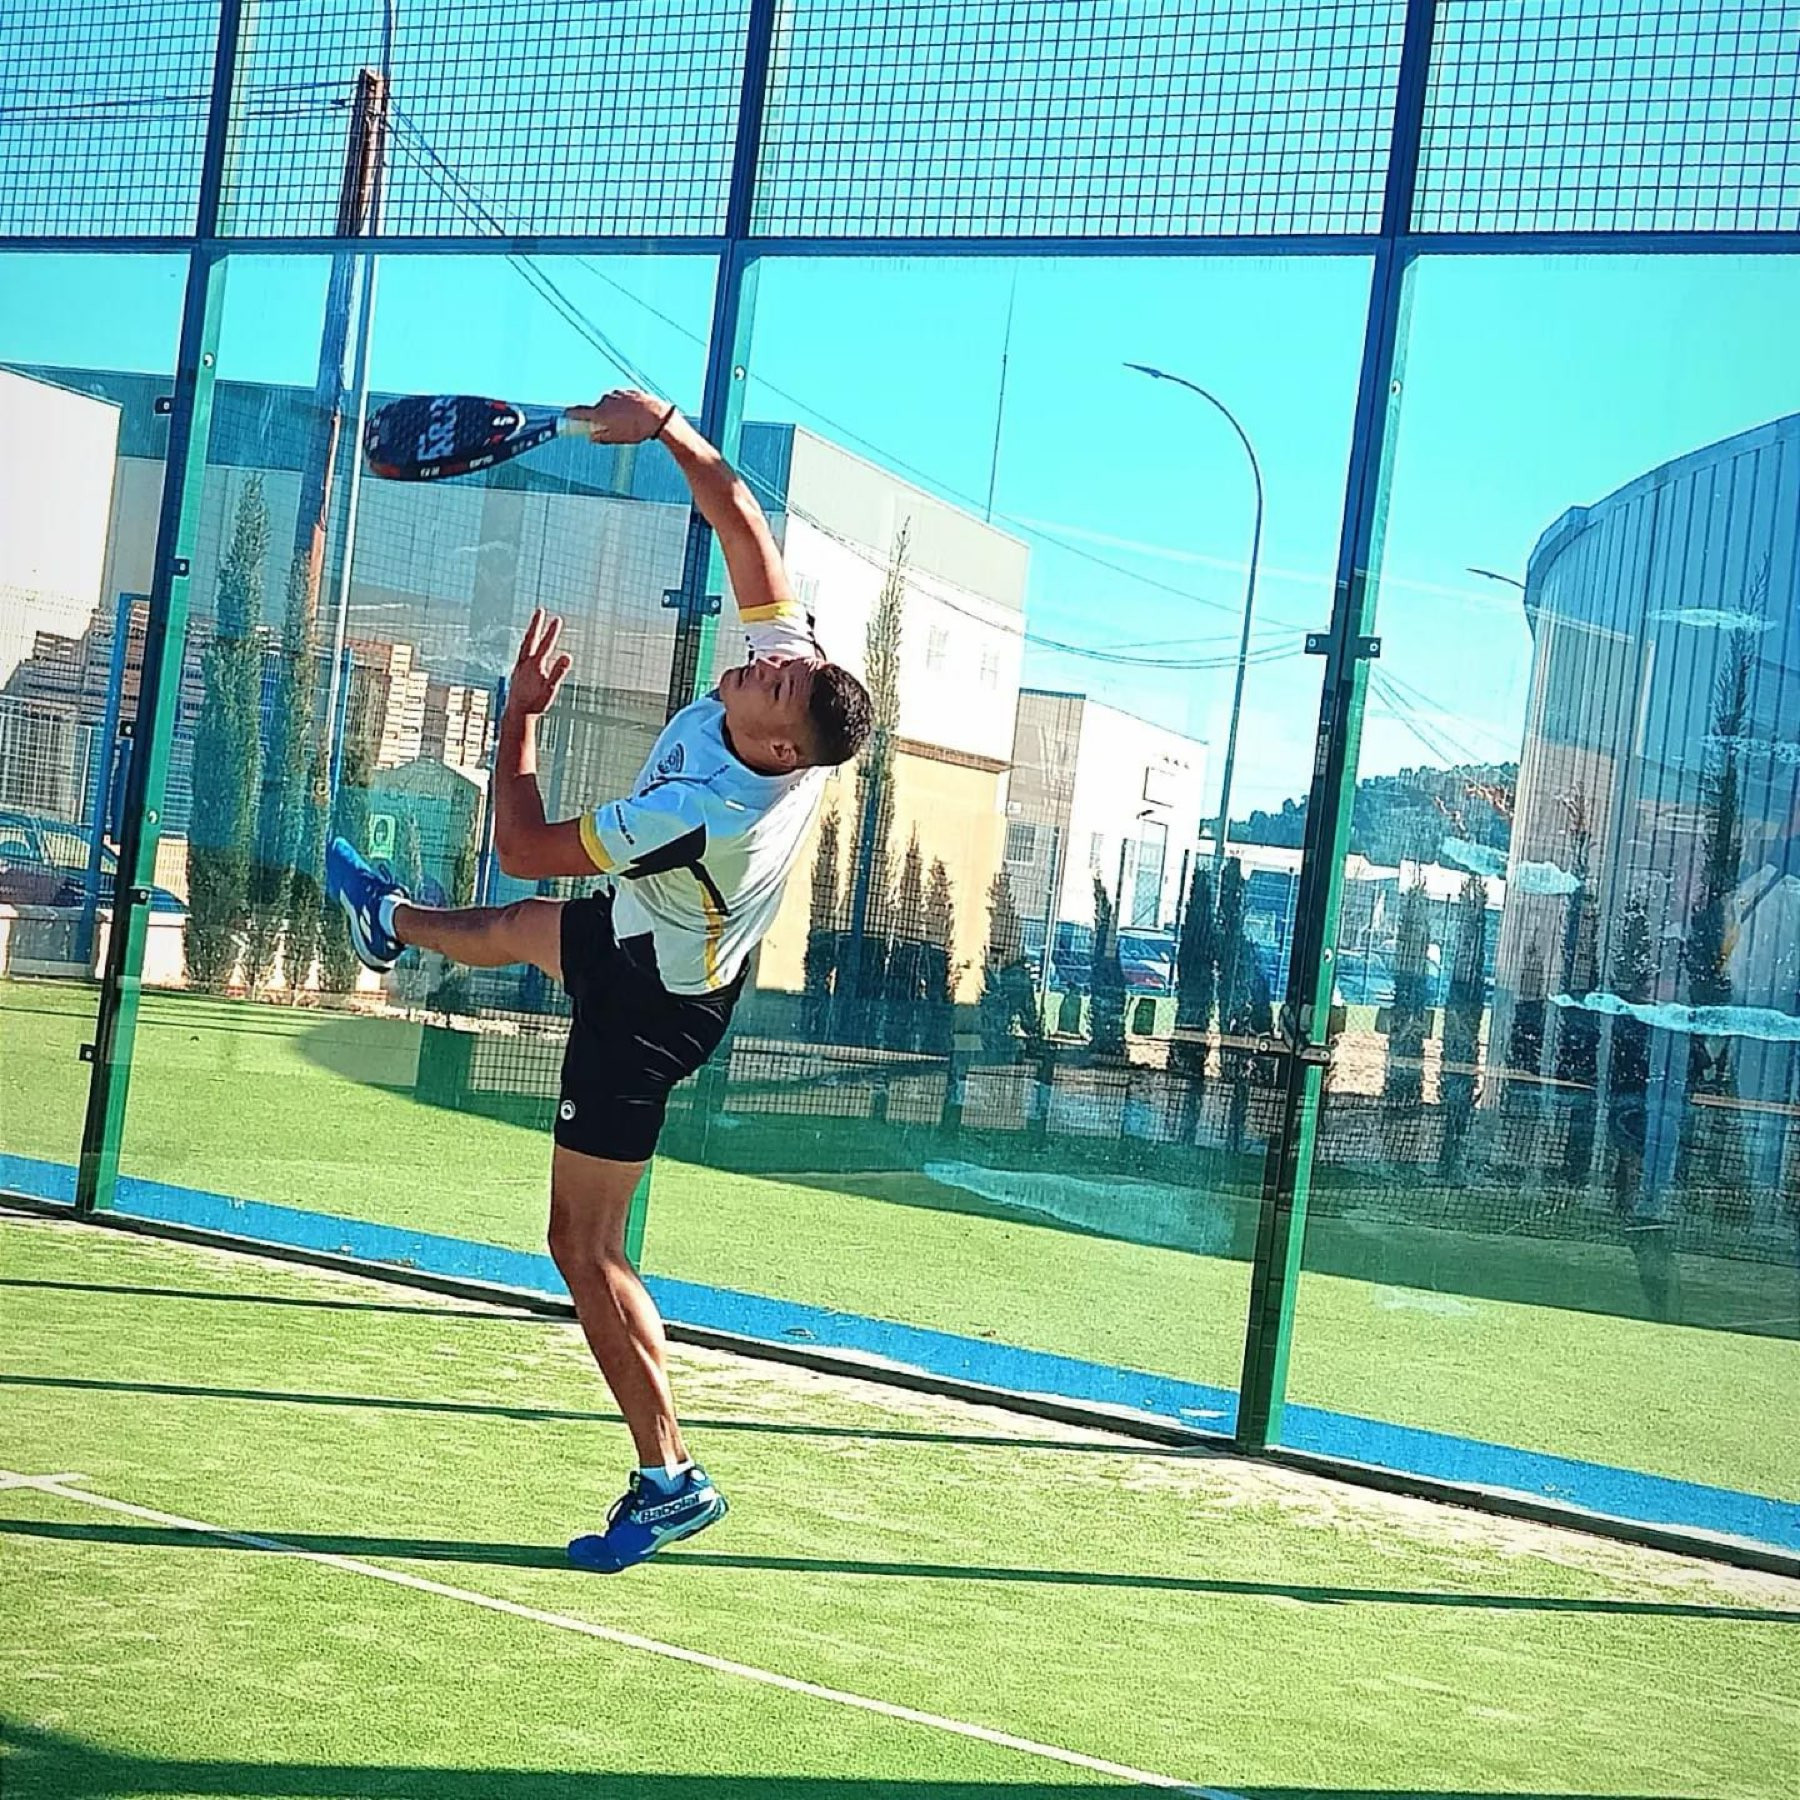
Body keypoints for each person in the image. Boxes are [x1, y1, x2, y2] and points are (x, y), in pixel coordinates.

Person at [326, 388, 872, 1572]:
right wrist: (665, 426)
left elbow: (524, 840)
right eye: (775, 663)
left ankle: (668, 1478)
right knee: (525, 929)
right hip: (650, 944)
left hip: (651, 1011)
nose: (756, 666)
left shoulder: (705, 812)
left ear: (782, 747)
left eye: (772, 684)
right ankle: (392, 921)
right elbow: (738, 516)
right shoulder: (791, 680)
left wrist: (518, 718)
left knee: (582, 1247)